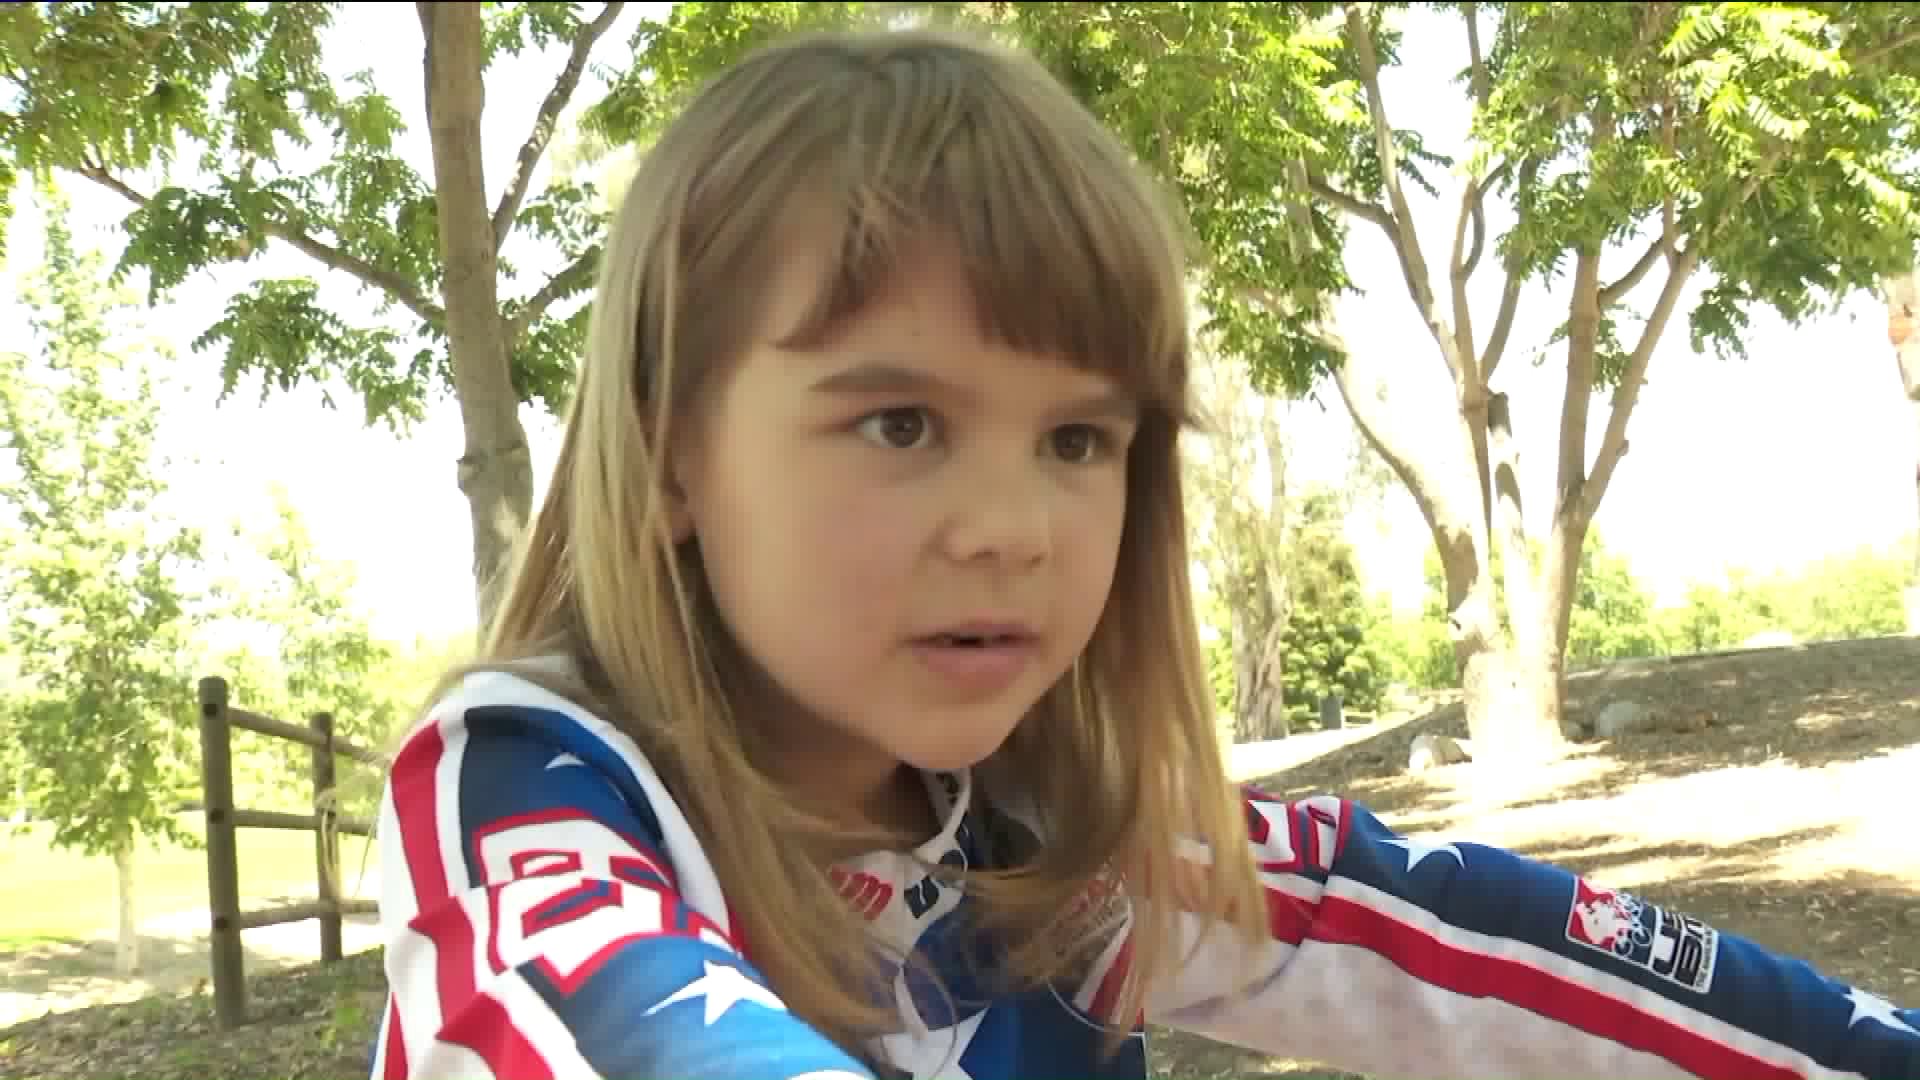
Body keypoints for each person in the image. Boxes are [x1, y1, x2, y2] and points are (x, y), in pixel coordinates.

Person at [368, 23, 1920, 1080]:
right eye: (901, 422)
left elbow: (1456, 931)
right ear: (671, 451)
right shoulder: (524, 786)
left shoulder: (1053, 852)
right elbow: (611, 1015)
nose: (1015, 531)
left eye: (1077, 440)